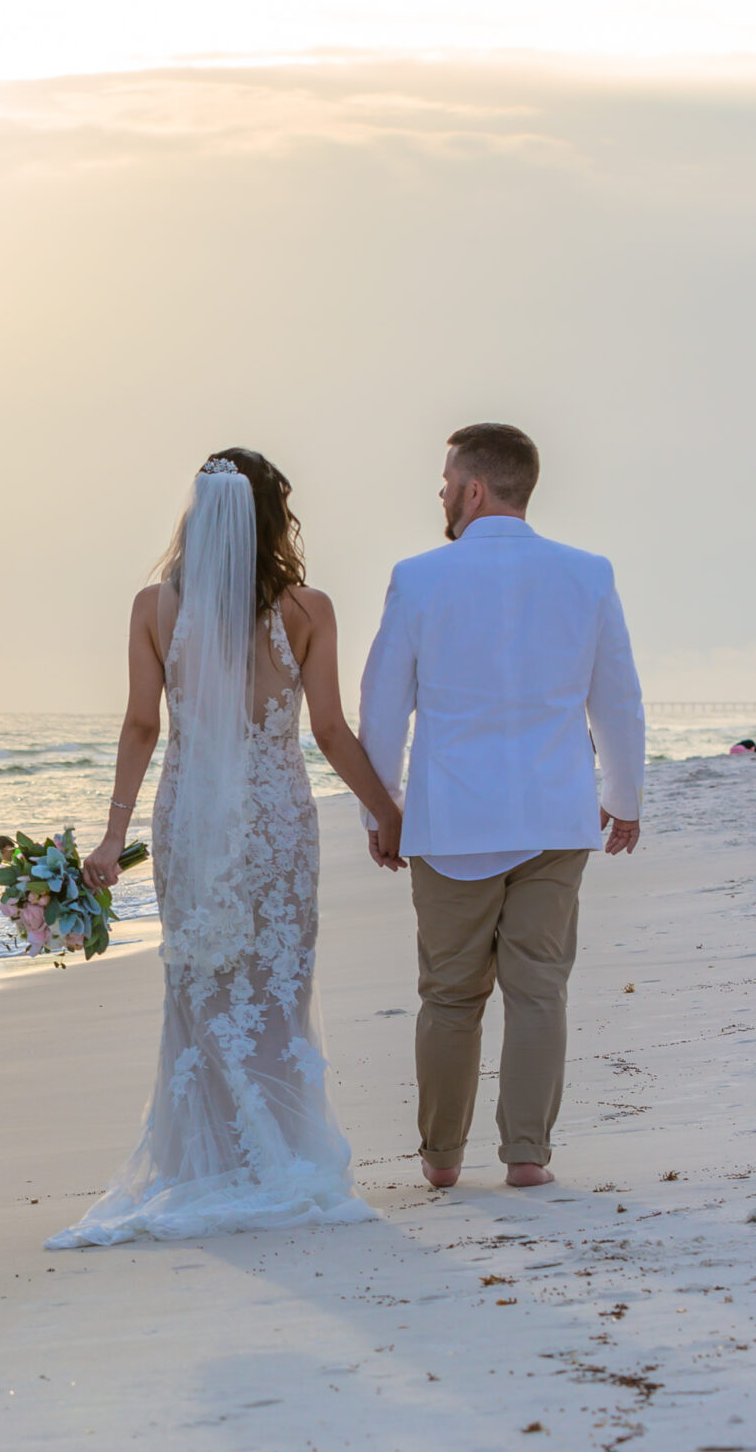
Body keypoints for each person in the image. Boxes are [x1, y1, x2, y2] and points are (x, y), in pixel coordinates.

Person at [49, 450, 406, 1248]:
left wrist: (114, 833)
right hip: (277, 817)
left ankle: (207, 1163)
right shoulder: (307, 609)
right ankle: (281, 1153)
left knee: (201, 985)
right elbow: (329, 731)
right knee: (277, 986)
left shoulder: (154, 607)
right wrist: (388, 810)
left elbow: (143, 724)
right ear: (271, 518)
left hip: (188, 820)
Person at [358, 423, 645, 1190]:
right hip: (555, 816)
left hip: (451, 822)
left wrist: (381, 811)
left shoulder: (418, 578)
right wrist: (623, 797)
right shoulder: (587, 574)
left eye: (447, 478)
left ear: (474, 488)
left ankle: (442, 1159)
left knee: (450, 996)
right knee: (539, 989)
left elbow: (383, 709)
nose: (442, 492)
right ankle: (526, 1156)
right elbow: (616, 695)